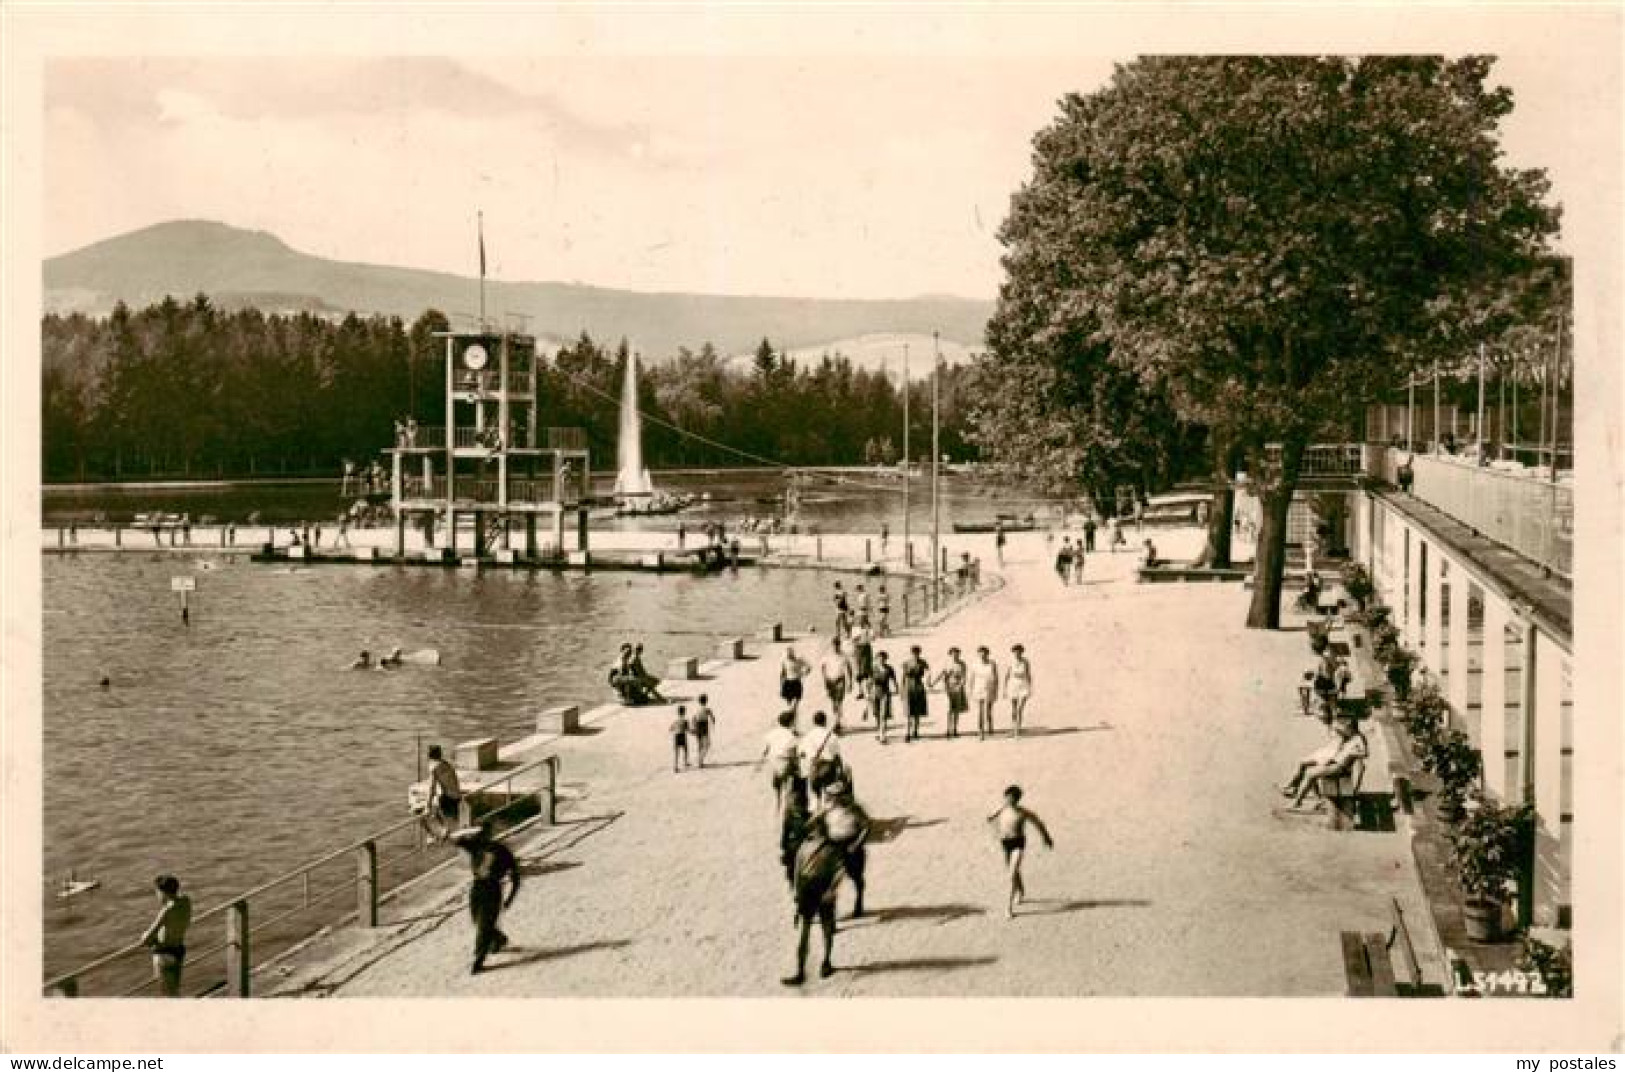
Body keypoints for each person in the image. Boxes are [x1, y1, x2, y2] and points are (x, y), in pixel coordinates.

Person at [451, 824, 521, 974]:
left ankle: (478, 960)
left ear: (489, 835)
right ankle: (499, 939)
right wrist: (467, 831)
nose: (479, 837)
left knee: (483, 926)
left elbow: (516, 877)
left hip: (493, 889)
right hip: (477, 888)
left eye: (482, 834)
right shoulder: (475, 846)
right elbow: (455, 839)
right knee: (477, 921)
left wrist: (509, 898)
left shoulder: (503, 851)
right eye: (478, 835)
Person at [783, 821, 844, 985]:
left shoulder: (831, 847)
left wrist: (831, 890)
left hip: (823, 889)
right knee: (805, 932)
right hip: (808, 890)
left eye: (818, 829)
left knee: (826, 929)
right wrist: (796, 892)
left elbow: (839, 872)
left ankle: (826, 962)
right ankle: (801, 971)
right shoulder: (806, 846)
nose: (816, 832)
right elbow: (797, 869)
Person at [987, 785, 1054, 919]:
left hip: (1018, 843)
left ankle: (1008, 908)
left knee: (1011, 874)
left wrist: (1046, 837)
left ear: (1017, 800)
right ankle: (1020, 890)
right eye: (1007, 798)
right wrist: (995, 830)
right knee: (1013, 872)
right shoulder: (1001, 810)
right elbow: (990, 819)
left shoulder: (1023, 812)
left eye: (1011, 799)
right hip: (1005, 843)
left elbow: (1038, 823)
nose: (1008, 801)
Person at [1281, 717, 1368, 809]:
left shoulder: (1358, 738)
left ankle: (1297, 802)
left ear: (1351, 727)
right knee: (1308, 768)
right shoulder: (1349, 737)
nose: (1344, 731)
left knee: (1310, 774)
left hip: (1339, 767)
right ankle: (1316, 798)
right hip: (1333, 763)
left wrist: (1351, 753)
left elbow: (1365, 753)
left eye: (1345, 728)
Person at [139, 874, 193, 997]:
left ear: (163, 892)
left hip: (165, 954)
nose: (156, 896)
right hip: (178, 950)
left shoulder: (167, 910)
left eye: (157, 892)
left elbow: (147, 939)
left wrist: (144, 935)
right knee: (175, 990)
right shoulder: (186, 901)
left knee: (167, 995)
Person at [758, 710, 802, 816]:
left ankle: (775, 809)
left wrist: (759, 764)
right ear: (790, 723)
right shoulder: (791, 736)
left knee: (776, 791)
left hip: (772, 764)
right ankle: (784, 812)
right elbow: (793, 755)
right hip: (785, 763)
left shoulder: (770, 734)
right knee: (788, 789)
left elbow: (764, 750)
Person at [798, 710, 844, 798]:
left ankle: (818, 801)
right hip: (828, 770)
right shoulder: (832, 736)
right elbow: (837, 754)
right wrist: (840, 771)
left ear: (814, 722)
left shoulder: (807, 736)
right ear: (825, 721)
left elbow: (801, 754)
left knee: (814, 788)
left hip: (813, 770)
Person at [424, 744, 463, 843]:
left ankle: (436, 833)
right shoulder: (446, 763)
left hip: (449, 798)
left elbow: (431, 787)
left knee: (423, 812)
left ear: (429, 755)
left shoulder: (433, 766)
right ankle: (444, 829)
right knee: (437, 803)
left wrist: (427, 806)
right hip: (457, 796)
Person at [934, 647, 969, 738]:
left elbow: (964, 677)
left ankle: (954, 729)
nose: (955, 655)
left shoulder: (962, 664)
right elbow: (941, 674)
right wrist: (933, 683)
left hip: (958, 688)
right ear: (950, 654)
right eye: (953, 653)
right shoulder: (947, 664)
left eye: (957, 653)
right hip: (948, 688)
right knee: (949, 709)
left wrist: (960, 686)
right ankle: (948, 729)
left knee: (956, 710)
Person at [968, 645, 1000, 740]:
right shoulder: (974, 664)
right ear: (978, 654)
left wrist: (996, 690)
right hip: (978, 689)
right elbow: (971, 678)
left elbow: (996, 677)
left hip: (989, 688)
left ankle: (990, 725)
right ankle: (981, 731)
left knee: (988, 710)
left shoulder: (992, 663)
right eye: (980, 654)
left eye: (985, 654)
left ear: (988, 654)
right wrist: (970, 691)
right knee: (980, 711)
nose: (983, 655)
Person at [901, 645, 930, 743]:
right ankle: (907, 732)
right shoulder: (906, 663)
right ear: (911, 653)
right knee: (909, 712)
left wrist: (928, 681)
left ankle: (915, 731)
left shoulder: (923, 662)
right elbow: (903, 677)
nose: (915, 655)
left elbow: (928, 672)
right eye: (914, 653)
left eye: (917, 653)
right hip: (909, 687)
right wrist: (902, 690)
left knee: (917, 712)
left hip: (918, 687)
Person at [868, 650, 898, 744]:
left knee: (883, 715)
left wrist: (897, 689)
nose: (881, 660)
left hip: (885, 693)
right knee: (876, 714)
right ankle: (879, 731)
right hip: (874, 693)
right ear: (876, 659)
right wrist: (868, 693)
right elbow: (869, 682)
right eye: (879, 659)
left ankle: (883, 735)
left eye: (883, 659)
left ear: (886, 659)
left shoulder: (889, 669)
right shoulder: (873, 669)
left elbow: (894, 679)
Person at [1004, 644, 1034, 737]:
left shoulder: (1026, 662)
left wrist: (1030, 687)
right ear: (1013, 652)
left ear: (1022, 652)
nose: (1017, 653)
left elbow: (1028, 674)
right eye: (1015, 652)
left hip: (1023, 686)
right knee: (1014, 709)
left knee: (1020, 709)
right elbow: (1007, 675)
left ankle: (1018, 729)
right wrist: (1005, 689)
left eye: (1019, 651)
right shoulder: (1010, 662)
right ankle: (1014, 728)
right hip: (1013, 686)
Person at [820, 639, 850, 729]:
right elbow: (823, 667)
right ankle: (837, 719)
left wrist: (850, 682)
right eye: (834, 645)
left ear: (839, 645)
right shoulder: (827, 655)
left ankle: (837, 722)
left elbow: (848, 668)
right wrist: (825, 679)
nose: (836, 647)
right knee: (833, 702)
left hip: (840, 679)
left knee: (838, 701)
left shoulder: (844, 655)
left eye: (837, 645)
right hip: (830, 681)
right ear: (831, 645)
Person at [780, 647, 810, 715]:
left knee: (796, 703)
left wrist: (803, 673)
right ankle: (792, 716)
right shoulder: (784, 661)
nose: (789, 655)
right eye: (788, 654)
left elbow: (809, 667)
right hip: (787, 683)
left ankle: (793, 715)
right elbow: (782, 673)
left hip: (796, 682)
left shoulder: (798, 660)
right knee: (789, 704)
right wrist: (781, 684)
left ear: (793, 653)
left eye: (790, 653)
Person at [691, 694, 716, 767]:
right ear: (706, 701)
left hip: (697, 726)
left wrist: (693, 728)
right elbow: (712, 718)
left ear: (699, 701)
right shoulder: (707, 709)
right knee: (707, 744)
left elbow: (693, 719)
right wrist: (713, 724)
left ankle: (700, 762)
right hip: (704, 726)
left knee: (700, 744)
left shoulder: (697, 709)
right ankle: (700, 760)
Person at [670, 706, 692, 772]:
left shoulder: (675, 720)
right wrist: (693, 732)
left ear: (678, 712)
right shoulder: (685, 720)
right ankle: (685, 762)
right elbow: (687, 729)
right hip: (682, 735)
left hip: (676, 736)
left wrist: (676, 729)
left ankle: (675, 767)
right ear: (684, 712)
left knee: (677, 752)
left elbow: (671, 728)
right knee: (685, 749)